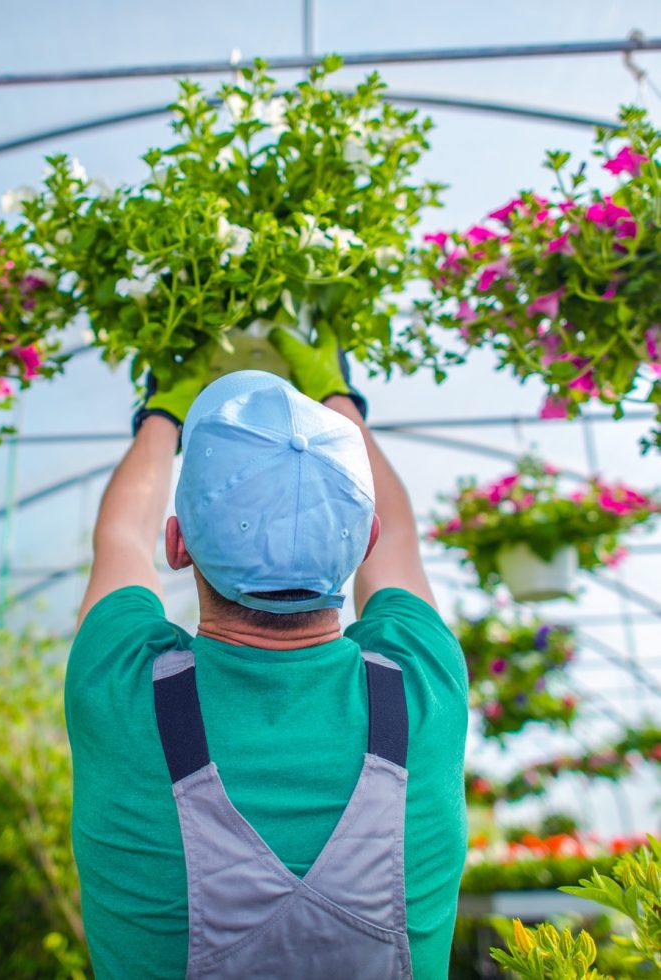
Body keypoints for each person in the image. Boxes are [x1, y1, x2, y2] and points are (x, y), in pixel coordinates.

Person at [65, 328, 468, 979]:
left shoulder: (117, 686)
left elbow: (121, 536)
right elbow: (398, 540)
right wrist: (340, 399)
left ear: (178, 544)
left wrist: (162, 412)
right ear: (362, 540)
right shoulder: (422, 685)